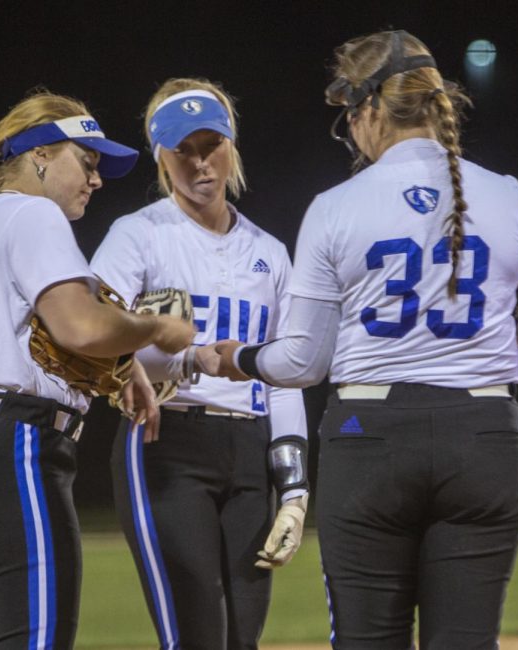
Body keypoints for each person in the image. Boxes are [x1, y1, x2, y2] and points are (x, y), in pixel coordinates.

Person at [214, 30, 518, 650]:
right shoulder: (508, 194)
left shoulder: (336, 207)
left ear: (367, 110)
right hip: (487, 434)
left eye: (349, 119)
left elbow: (303, 362)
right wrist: (501, 322)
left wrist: (232, 357)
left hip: (371, 438)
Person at [0, 90, 196, 650]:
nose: (96, 180)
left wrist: (121, 363)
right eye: (86, 162)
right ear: (41, 153)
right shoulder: (31, 211)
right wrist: (153, 330)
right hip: (13, 454)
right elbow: (80, 328)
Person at [90, 78, 308, 650]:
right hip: (168, 444)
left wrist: (294, 487)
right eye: (182, 149)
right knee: (197, 635)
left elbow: (282, 375)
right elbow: (91, 333)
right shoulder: (137, 236)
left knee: (243, 637)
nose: (199, 162)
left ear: (232, 145)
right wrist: (187, 358)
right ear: (160, 156)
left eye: (210, 144)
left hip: (251, 452)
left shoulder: (270, 252)